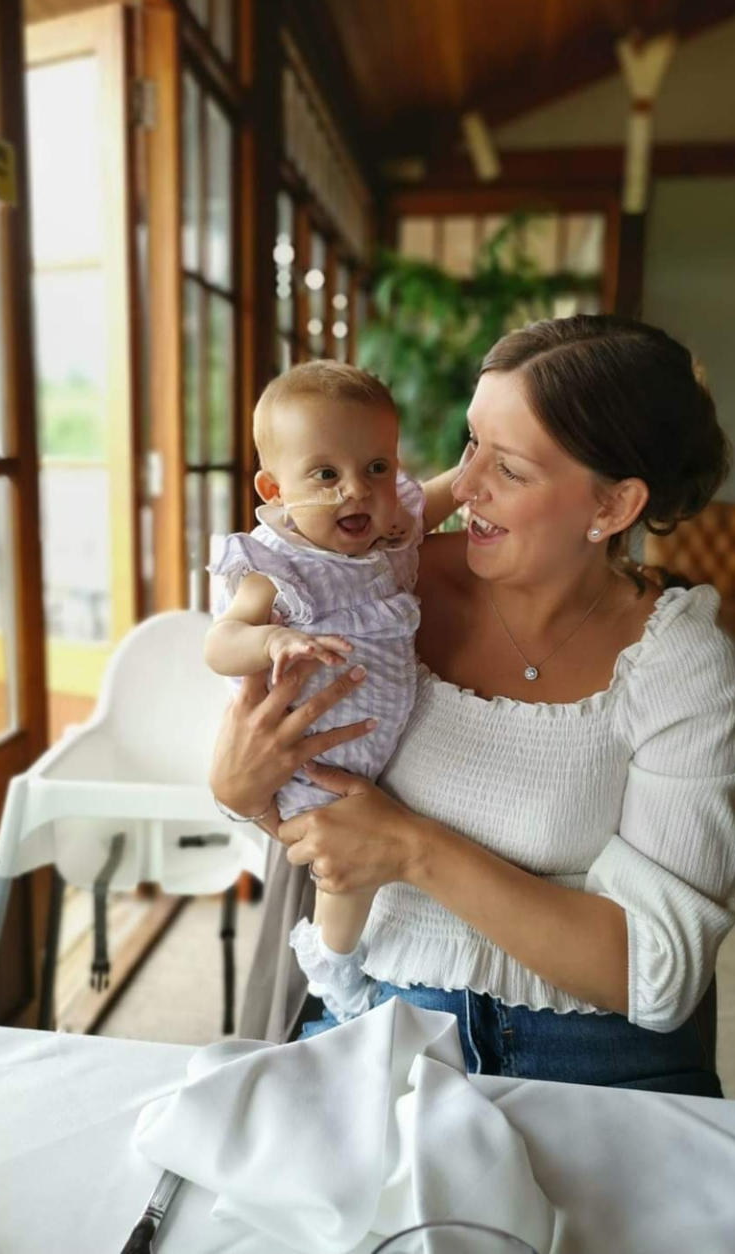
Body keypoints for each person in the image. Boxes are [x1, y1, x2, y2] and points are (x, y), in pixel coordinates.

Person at [211, 315, 735, 1096]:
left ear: (612, 507)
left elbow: (659, 972)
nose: (461, 488)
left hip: (597, 1059)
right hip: (381, 1024)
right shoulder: (378, 583)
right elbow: (287, 775)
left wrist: (414, 850)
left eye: (508, 468)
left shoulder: (677, 660)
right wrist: (237, 792)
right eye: (470, 445)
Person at [205, 361, 458, 1025]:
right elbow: (220, 642)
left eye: (377, 467)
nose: (357, 490)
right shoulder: (281, 562)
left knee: (364, 854)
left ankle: (344, 962)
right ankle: (337, 979)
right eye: (326, 474)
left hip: (371, 749)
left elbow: (425, 507)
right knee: (347, 874)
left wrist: (465, 480)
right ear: (275, 489)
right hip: (316, 759)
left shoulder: (386, 539)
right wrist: (272, 644)